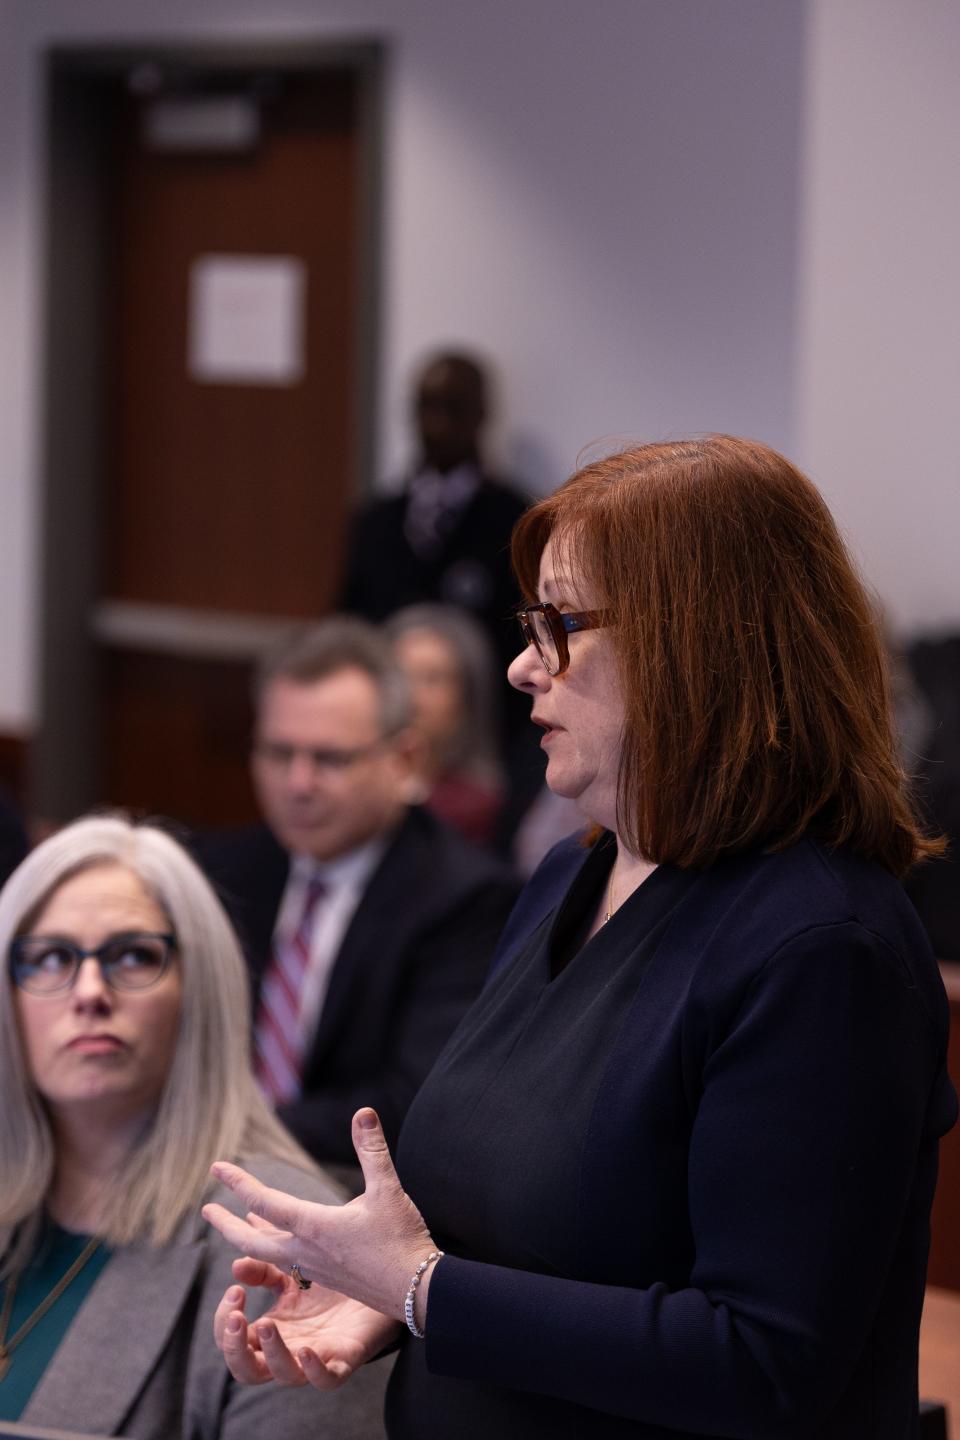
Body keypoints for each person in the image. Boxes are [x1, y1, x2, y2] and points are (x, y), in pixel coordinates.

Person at [203, 436, 957, 1439]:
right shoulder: (571, 875)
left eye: (558, 626)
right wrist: (375, 1298)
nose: (521, 667)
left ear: (696, 642)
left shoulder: (822, 945)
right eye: (528, 625)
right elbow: (526, 1239)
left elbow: (764, 1362)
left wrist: (422, 1289)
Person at [0, 814, 390, 1437]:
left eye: (133, 955)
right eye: (49, 957)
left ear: (199, 990)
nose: (90, 992)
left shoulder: (293, 1241)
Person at [194, 617, 520, 1170]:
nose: (297, 784)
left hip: (350, 1191)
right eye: (278, 753)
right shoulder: (221, 871)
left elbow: (413, 1102)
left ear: (405, 761)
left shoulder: (467, 899)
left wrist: (220, 1132)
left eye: (330, 759)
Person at [339, 350, 544, 833]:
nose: (435, 424)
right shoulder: (377, 522)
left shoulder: (515, 522)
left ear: (480, 416)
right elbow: (348, 627)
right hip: (382, 743)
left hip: (486, 751)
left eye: (451, 408)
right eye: (425, 408)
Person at [384, 604, 505, 847]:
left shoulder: (476, 805)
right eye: (400, 675)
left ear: (467, 700)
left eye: (432, 679)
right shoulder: (353, 778)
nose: (412, 696)